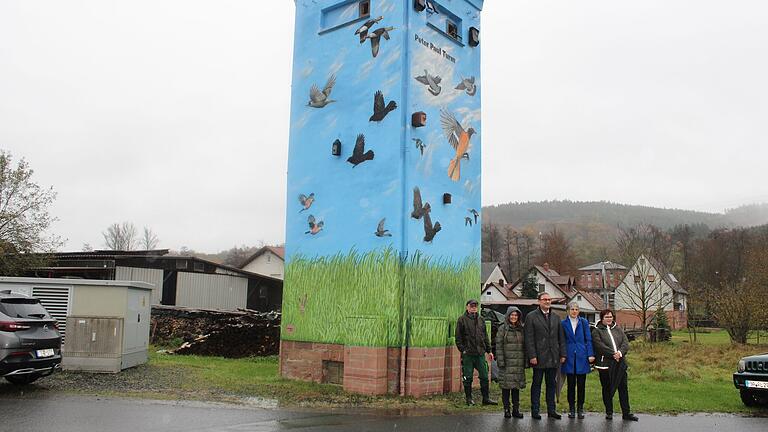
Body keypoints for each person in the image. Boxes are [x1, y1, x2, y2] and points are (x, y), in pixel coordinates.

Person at [524, 292, 566, 420]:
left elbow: (561, 337)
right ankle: (535, 410)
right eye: (544, 299)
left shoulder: (556, 317)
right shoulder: (531, 317)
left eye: (549, 299)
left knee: (551, 384)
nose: (547, 301)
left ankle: (551, 410)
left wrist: (563, 353)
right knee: (537, 384)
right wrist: (532, 355)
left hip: (553, 357)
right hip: (538, 357)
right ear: (539, 301)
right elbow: (529, 338)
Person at [592, 309, 639, 422]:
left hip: (620, 363)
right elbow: (599, 345)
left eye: (611, 317)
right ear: (602, 318)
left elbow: (625, 343)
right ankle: (609, 412)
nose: (609, 319)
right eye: (606, 317)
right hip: (605, 364)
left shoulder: (617, 329)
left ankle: (626, 413)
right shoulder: (597, 331)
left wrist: (620, 353)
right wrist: (613, 354)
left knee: (623, 388)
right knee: (607, 388)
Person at [455, 299, 497, 406]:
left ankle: (486, 398)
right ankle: (469, 399)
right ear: (467, 307)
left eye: (475, 306)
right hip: (468, 354)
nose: (473, 308)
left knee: (484, 375)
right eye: (471, 306)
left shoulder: (481, 319)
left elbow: (485, 336)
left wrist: (489, 350)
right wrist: (463, 350)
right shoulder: (461, 320)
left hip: (480, 354)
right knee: (468, 377)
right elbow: (458, 338)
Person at [560, 302, 594, 419]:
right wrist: (562, 354)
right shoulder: (563, 323)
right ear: (568, 311)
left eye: (576, 309)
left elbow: (588, 339)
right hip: (569, 356)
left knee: (581, 384)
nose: (574, 311)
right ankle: (572, 408)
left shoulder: (584, 322)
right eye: (572, 309)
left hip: (582, 356)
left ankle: (580, 408)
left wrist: (590, 354)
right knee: (571, 385)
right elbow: (562, 340)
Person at [495, 306, 526, 418]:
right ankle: (506, 409)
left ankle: (516, 410)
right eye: (512, 315)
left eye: (516, 315)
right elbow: (498, 346)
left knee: (516, 388)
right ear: (508, 316)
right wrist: (501, 361)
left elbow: (525, 346)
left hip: (518, 363)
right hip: (506, 363)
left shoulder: (521, 329)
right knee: (506, 388)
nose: (514, 317)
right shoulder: (502, 329)